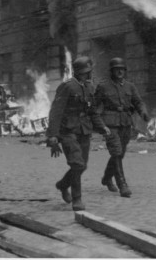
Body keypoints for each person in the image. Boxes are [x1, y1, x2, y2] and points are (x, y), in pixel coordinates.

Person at [46, 56, 111, 211]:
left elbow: (92, 111)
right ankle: (77, 199)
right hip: (68, 131)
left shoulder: (89, 87)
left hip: (84, 131)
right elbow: (56, 112)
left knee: (82, 166)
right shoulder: (67, 87)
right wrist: (53, 136)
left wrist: (102, 127)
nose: (90, 74)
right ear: (82, 72)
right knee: (77, 163)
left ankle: (62, 184)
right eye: (88, 71)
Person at [94, 57, 149, 198]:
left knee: (120, 153)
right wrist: (98, 123)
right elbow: (94, 106)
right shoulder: (103, 86)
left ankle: (106, 178)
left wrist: (143, 112)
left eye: (122, 69)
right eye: (116, 69)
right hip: (110, 123)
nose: (119, 71)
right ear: (111, 71)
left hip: (125, 123)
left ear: (125, 71)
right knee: (117, 152)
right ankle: (122, 185)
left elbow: (138, 101)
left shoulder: (130, 86)